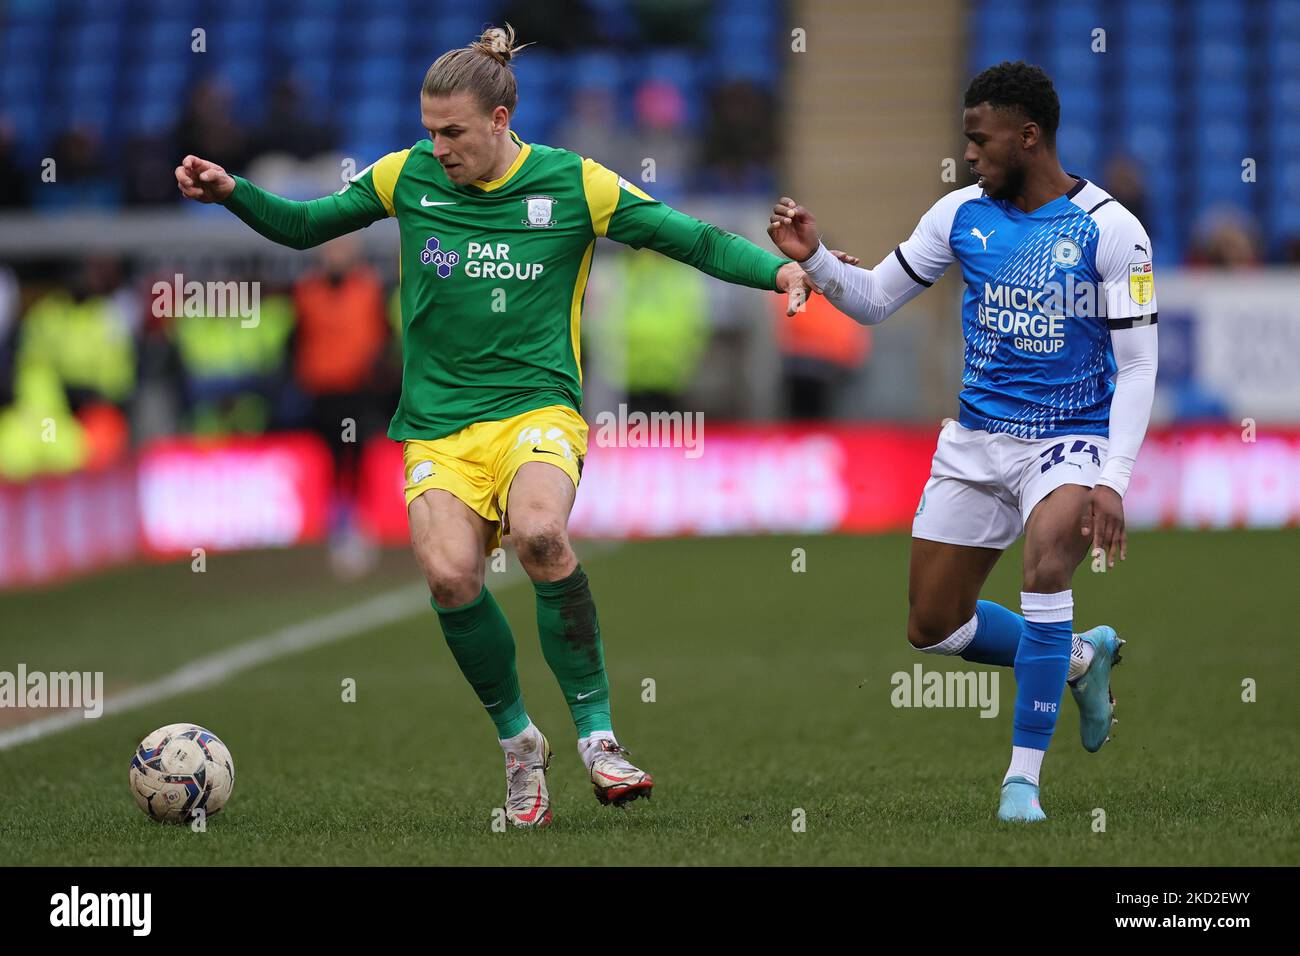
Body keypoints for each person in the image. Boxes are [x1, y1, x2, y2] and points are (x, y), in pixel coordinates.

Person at [175, 24, 811, 829]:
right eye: (429, 130)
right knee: (450, 579)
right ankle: (519, 744)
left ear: (502, 120)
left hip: (536, 410)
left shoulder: (576, 184)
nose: (437, 147)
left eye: (454, 132)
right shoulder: (404, 176)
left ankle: (599, 736)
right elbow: (307, 227)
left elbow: (691, 237)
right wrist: (233, 192)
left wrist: (780, 268)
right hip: (438, 427)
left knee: (542, 536)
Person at [767, 61, 1159, 822]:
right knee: (933, 625)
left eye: (980, 141)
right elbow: (877, 299)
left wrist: (1113, 477)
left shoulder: (1112, 230)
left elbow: (1140, 361)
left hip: (1068, 441)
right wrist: (814, 257)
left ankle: (1021, 784)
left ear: (1029, 135)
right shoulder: (960, 215)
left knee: (1048, 566)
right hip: (977, 440)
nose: (969, 155)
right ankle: (1080, 658)